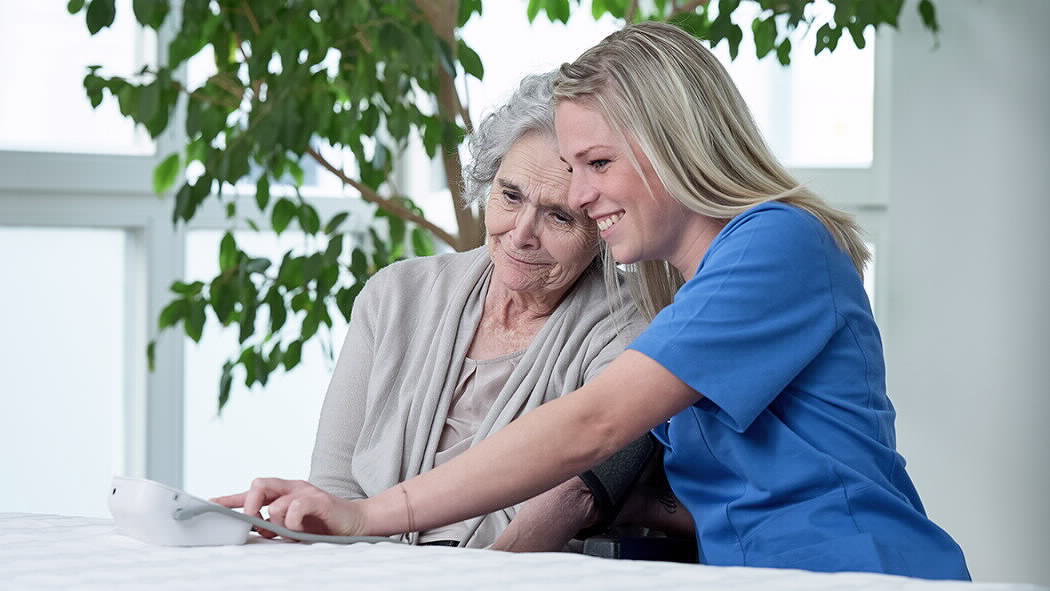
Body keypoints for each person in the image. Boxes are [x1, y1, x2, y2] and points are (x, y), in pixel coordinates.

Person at [216, 22, 969, 580]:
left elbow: (593, 421)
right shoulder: (693, 291)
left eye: (597, 164)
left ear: (674, 143)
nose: (578, 195)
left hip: (862, 571)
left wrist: (369, 516)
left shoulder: (779, 244)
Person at [300, 71, 674, 550]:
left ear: (600, 223)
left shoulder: (632, 330)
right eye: (511, 195)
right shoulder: (395, 295)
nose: (521, 233)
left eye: (559, 216)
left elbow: (571, 498)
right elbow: (334, 488)